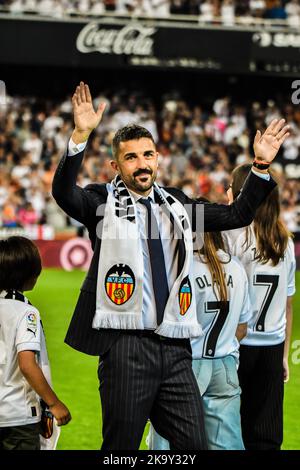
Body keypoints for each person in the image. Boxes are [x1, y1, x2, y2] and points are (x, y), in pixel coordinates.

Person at [52, 81, 289, 450]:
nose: (142, 164)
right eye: (131, 158)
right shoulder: (102, 202)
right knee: (122, 449)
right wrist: (80, 136)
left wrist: (260, 165)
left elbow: (236, 214)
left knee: (193, 446)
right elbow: (64, 194)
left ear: (158, 159)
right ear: (116, 164)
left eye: (148, 155)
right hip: (127, 347)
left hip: (178, 347)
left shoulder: (177, 205)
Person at [148, 226, 250, 450]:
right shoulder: (236, 266)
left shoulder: (183, 268)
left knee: (166, 446)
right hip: (225, 366)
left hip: (184, 365)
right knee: (227, 446)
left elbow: (166, 326)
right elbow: (242, 327)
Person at [224, 163, 296, 450]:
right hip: (272, 346)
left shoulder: (234, 236)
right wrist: (283, 354)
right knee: (266, 434)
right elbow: (288, 306)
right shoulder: (286, 243)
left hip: (236, 344)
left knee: (229, 430)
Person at [0, 236, 71, 450]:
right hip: (17, 418)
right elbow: (27, 364)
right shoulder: (26, 312)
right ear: (29, 275)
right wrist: (54, 403)